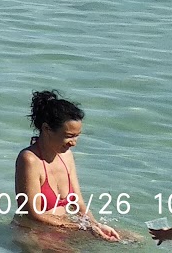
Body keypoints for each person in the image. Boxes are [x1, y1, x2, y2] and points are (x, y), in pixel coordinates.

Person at [13, 89, 121, 241]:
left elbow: (78, 203)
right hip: (34, 234)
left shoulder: (67, 156)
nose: (74, 143)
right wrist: (83, 229)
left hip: (63, 229)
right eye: (69, 136)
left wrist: (95, 225)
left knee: (131, 239)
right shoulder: (29, 160)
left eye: (77, 136)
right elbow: (32, 213)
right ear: (46, 129)